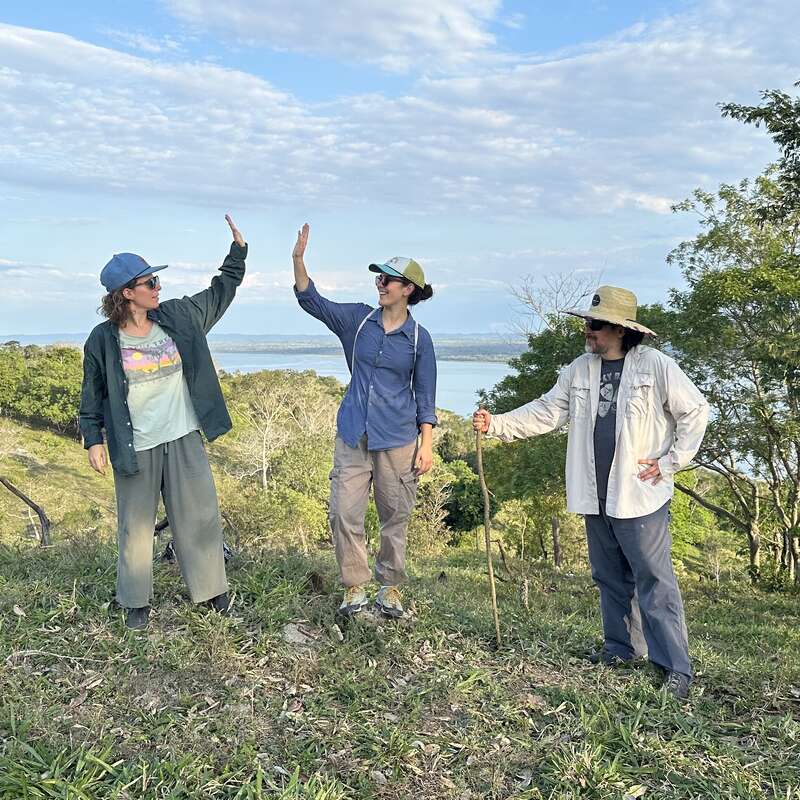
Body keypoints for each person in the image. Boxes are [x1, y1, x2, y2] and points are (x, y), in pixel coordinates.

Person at [473, 286, 709, 699]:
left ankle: (675, 668)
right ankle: (620, 649)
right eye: (588, 323)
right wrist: (496, 424)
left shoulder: (656, 366)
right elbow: (547, 412)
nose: (589, 331)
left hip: (640, 493)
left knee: (653, 579)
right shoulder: (580, 369)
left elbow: (695, 410)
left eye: (596, 325)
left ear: (620, 330)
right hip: (594, 491)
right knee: (608, 576)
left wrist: (671, 462)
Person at [79, 215, 247, 630]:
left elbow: (219, 293)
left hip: (183, 435)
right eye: (150, 283)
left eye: (156, 281)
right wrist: (93, 440)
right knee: (135, 526)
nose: (158, 288)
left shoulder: (179, 317)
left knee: (200, 516)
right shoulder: (103, 339)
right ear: (126, 294)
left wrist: (237, 255)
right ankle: (135, 601)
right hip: (135, 443)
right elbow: (92, 393)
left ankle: (212, 593)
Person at [292, 223, 437, 619]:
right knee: (343, 511)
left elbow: (425, 395)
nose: (380, 283)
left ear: (408, 289)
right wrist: (298, 260)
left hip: (399, 439)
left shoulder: (419, 338)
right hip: (354, 432)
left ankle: (390, 588)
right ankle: (354, 587)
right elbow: (312, 302)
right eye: (378, 277)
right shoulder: (357, 321)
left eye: (388, 279)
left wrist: (426, 445)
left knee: (396, 516)